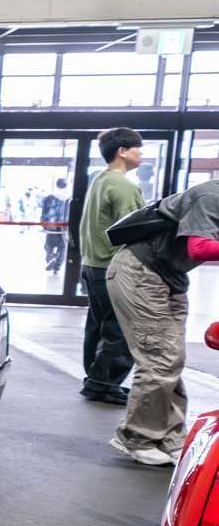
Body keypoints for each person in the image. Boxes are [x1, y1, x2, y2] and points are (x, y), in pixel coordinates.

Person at [105, 180, 219, 466]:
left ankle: (170, 436)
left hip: (170, 277)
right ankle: (137, 437)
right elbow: (199, 248)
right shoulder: (212, 195)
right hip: (142, 272)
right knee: (161, 357)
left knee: (171, 359)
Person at [77, 128, 145, 405]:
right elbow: (132, 230)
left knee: (98, 325)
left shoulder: (100, 180)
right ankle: (103, 383)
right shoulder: (123, 186)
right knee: (121, 328)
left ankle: (95, 378)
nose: (142, 154)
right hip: (113, 266)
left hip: (93, 264)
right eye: (138, 148)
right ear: (123, 151)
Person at [40, 177, 69, 271]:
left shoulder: (48, 198)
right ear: (66, 186)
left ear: (56, 185)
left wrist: (43, 226)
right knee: (63, 247)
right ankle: (57, 266)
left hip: (51, 226)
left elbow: (44, 213)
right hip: (64, 227)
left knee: (49, 246)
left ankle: (51, 258)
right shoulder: (69, 199)